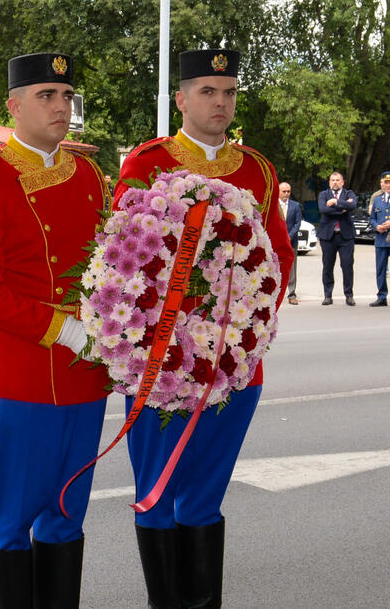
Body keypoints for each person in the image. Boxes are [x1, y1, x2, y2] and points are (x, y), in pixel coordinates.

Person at [116, 49, 294, 608]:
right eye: (208, 92)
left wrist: (245, 332)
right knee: (156, 493)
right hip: (162, 366)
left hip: (233, 368)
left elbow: (279, 257)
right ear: (181, 99)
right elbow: (122, 260)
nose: (221, 102)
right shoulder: (147, 164)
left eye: (230, 92)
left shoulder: (257, 170)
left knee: (205, 497)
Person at [0, 52, 111, 607]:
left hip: (85, 377)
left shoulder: (87, 174)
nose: (61, 106)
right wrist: (63, 330)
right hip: (18, 380)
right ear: (14, 106)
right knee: (11, 522)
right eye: (46, 96)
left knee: (67, 516)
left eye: (66, 96)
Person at [316, 171, 357, 305]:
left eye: (337, 180)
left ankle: (349, 295)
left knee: (347, 266)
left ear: (342, 182)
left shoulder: (349, 193)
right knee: (327, 266)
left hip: (346, 237)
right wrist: (343, 208)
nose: (335, 182)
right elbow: (323, 209)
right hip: (328, 236)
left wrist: (336, 201)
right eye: (332, 180)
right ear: (329, 183)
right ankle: (328, 295)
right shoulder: (323, 194)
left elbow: (353, 205)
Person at [369, 171, 390, 306]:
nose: (388, 185)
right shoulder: (377, 199)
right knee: (381, 269)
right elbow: (372, 218)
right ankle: (382, 296)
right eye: (386, 182)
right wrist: (377, 226)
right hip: (381, 239)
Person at [279, 182, 302, 304]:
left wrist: (289, 236)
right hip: (276, 242)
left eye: (288, 191)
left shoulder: (296, 206)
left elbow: (298, 223)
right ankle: (275, 294)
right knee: (275, 267)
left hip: (291, 242)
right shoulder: (274, 205)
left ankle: (292, 294)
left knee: (292, 269)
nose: (286, 194)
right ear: (278, 192)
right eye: (284, 191)